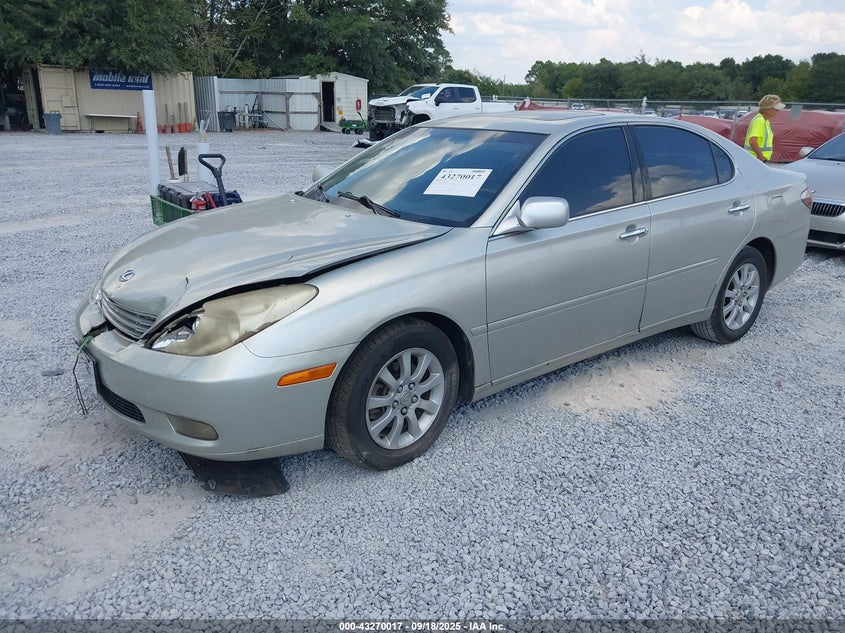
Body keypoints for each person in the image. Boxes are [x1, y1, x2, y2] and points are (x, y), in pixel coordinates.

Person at [745, 94, 786, 163]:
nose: (778, 111)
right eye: (776, 109)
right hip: (756, 160)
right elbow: (752, 141)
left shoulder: (765, 120)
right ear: (768, 110)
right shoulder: (759, 120)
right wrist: (761, 158)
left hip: (756, 159)